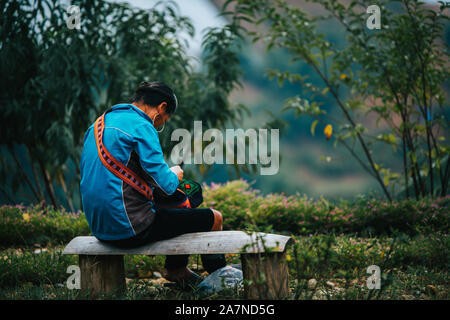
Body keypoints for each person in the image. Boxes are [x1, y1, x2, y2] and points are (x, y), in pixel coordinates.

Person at [80, 81, 226, 287]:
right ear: (162, 108)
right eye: (165, 119)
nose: (160, 124)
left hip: (100, 227)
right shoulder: (142, 126)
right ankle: (219, 279)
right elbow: (166, 184)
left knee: (187, 198)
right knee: (213, 217)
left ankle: (178, 268)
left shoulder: (97, 125)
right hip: (130, 228)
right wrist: (175, 173)